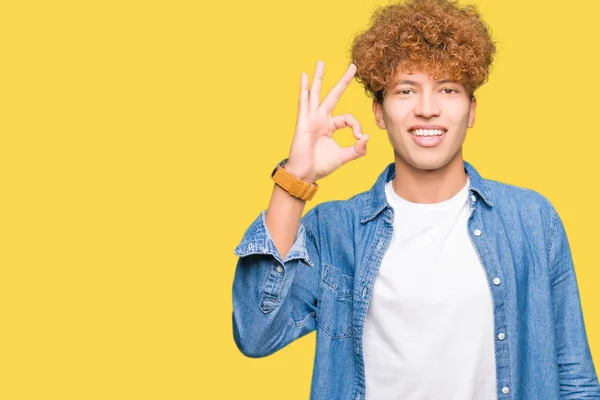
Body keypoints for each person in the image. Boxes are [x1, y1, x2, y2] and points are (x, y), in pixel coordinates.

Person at [231, 0, 600, 398]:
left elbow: (574, 379)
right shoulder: (334, 231)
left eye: (448, 89)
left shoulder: (531, 221)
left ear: (471, 110)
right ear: (378, 110)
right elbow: (256, 334)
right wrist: (295, 180)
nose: (427, 109)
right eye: (406, 90)